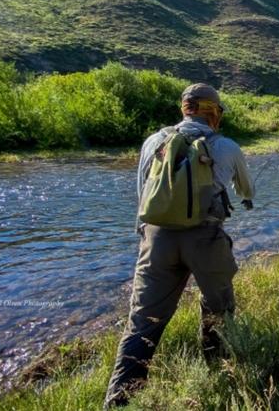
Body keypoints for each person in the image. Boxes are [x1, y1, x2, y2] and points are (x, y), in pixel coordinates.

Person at [104, 83, 255, 408]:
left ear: (185, 108)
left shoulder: (153, 142)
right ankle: (218, 380)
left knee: (143, 321)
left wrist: (143, 234)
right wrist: (245, 198)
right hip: (206, 240)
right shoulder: (227, 146)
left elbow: (142, 193)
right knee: (219, 309)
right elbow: (246, 189)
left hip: (156, 241)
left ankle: (118, 400)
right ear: (214, 113)